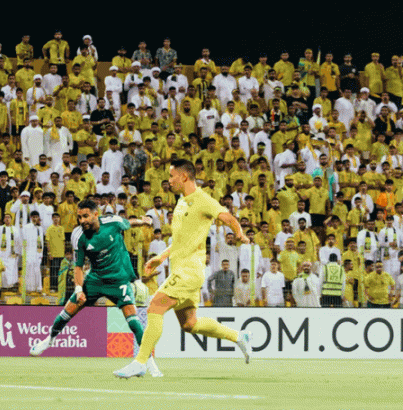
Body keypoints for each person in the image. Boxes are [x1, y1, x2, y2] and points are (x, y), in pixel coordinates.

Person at [115, 159, 251, 378]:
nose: (168, 181)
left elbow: (227, 217)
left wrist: (239, 233)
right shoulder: (180, 203)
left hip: (189, 271)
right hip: (180, 268)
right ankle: (239, 337)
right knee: (190, 324)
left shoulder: (203, 200)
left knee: (154, 307)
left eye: (171, 176)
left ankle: (140, 362)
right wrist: (161, 257)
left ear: (184, 177)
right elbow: (180, 241)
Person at [31, 200, 161, 374]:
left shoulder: (113, 222)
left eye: (85, 216)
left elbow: (128, 223)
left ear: (95, 214)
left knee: (133, 320)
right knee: (68, 309)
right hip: (95, 279)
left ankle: (149, 362)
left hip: (119, 279)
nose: (82, 220)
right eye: (79, 217)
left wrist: (143, 221)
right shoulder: (78, 235)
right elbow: (78, 266)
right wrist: (78, 289)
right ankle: (50, 339)